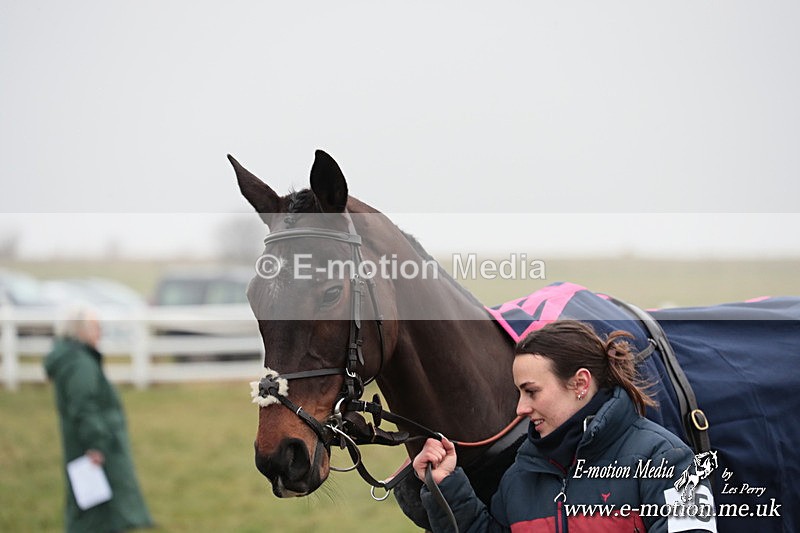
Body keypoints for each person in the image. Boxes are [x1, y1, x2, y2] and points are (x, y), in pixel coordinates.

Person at [413, 320, 717, 532]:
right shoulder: (520, 474)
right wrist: (445, 485)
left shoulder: (672, 461)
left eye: (531, 391)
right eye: (518, 393)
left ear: (580, 383)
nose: (520, 408)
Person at [44, 305, 153, 533]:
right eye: (95, 327)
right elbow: (84, 408)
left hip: (90, 443)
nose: (100, 332)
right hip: (95, 449)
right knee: (96, 512)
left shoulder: (77, 359)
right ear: (80, 331)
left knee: (96, 509)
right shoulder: (79, 364)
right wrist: (95, 444)